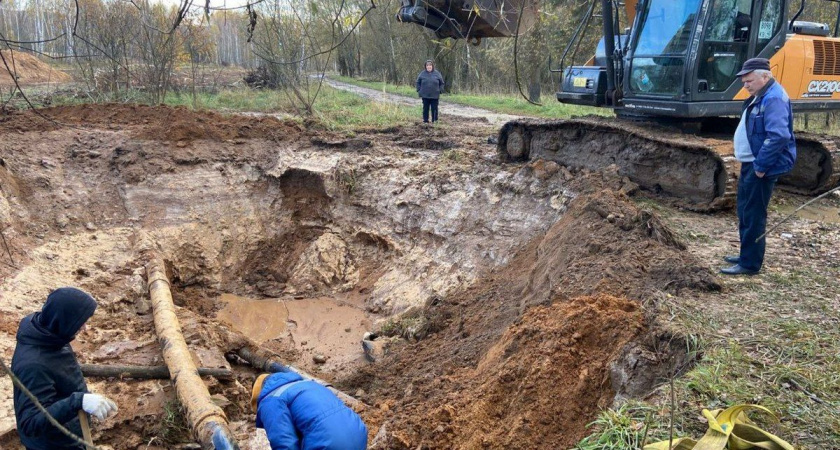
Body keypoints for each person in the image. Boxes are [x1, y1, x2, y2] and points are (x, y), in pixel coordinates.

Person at [12, 287, 118, 450]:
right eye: (80, 322)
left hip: (70, 430)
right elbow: (31, 423)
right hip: (53, 444)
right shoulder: (33, 365)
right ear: (64, 319)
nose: (85, 328)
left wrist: (82, 401)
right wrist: (78, 401)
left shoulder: (52, 333)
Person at [721, 58, 796, 276]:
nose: (745, 85)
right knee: (745, 210)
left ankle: (749, 264)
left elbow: (778, 136)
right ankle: (746, 254)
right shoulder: (760, 96)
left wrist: (761, 165)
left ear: (765, 76)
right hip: (751, 163)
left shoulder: (773, 99)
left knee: (753, 214)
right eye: (744, 82)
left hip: (760, 166)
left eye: (749, 81)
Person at [252, 371, 367, 450]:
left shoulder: (270, 400)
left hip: (328, 443)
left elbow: (284, 442)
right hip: (359, 434)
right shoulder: (308, 383)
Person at [416, 59, 444, 123]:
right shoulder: (422, 74)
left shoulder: (437, 74)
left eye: (430, 65)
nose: (429, 67)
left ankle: (435, 121)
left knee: (434, 108)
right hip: (425, 95)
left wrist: (440, 90)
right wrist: (419, 90)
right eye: (427, 65)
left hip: (435, 95)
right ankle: (425, 121)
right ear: (425, 66)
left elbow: (442, 83)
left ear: (432, 66)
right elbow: (418, 82)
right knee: (425, 108)